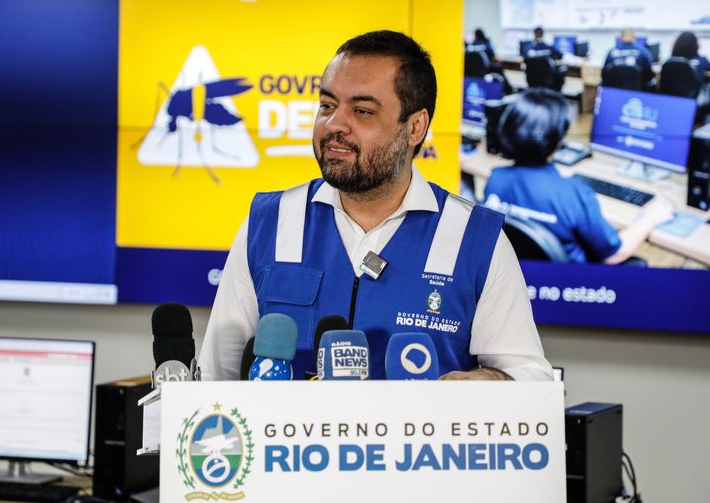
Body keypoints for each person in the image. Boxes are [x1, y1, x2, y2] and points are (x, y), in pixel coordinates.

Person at [198, 31, 552, 382]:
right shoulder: (269, 222)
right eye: (327, 105)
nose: (335, 124)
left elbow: (530, 377)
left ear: (415, 127)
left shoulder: (475, 238)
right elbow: (217, 377)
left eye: (362, 110)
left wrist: (490, 383)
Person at [483, 88, 674, 264]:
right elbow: (614, 253)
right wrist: (650, 218)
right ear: (558, 140)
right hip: (576, 286)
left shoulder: (494, 180)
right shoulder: (573, 193)